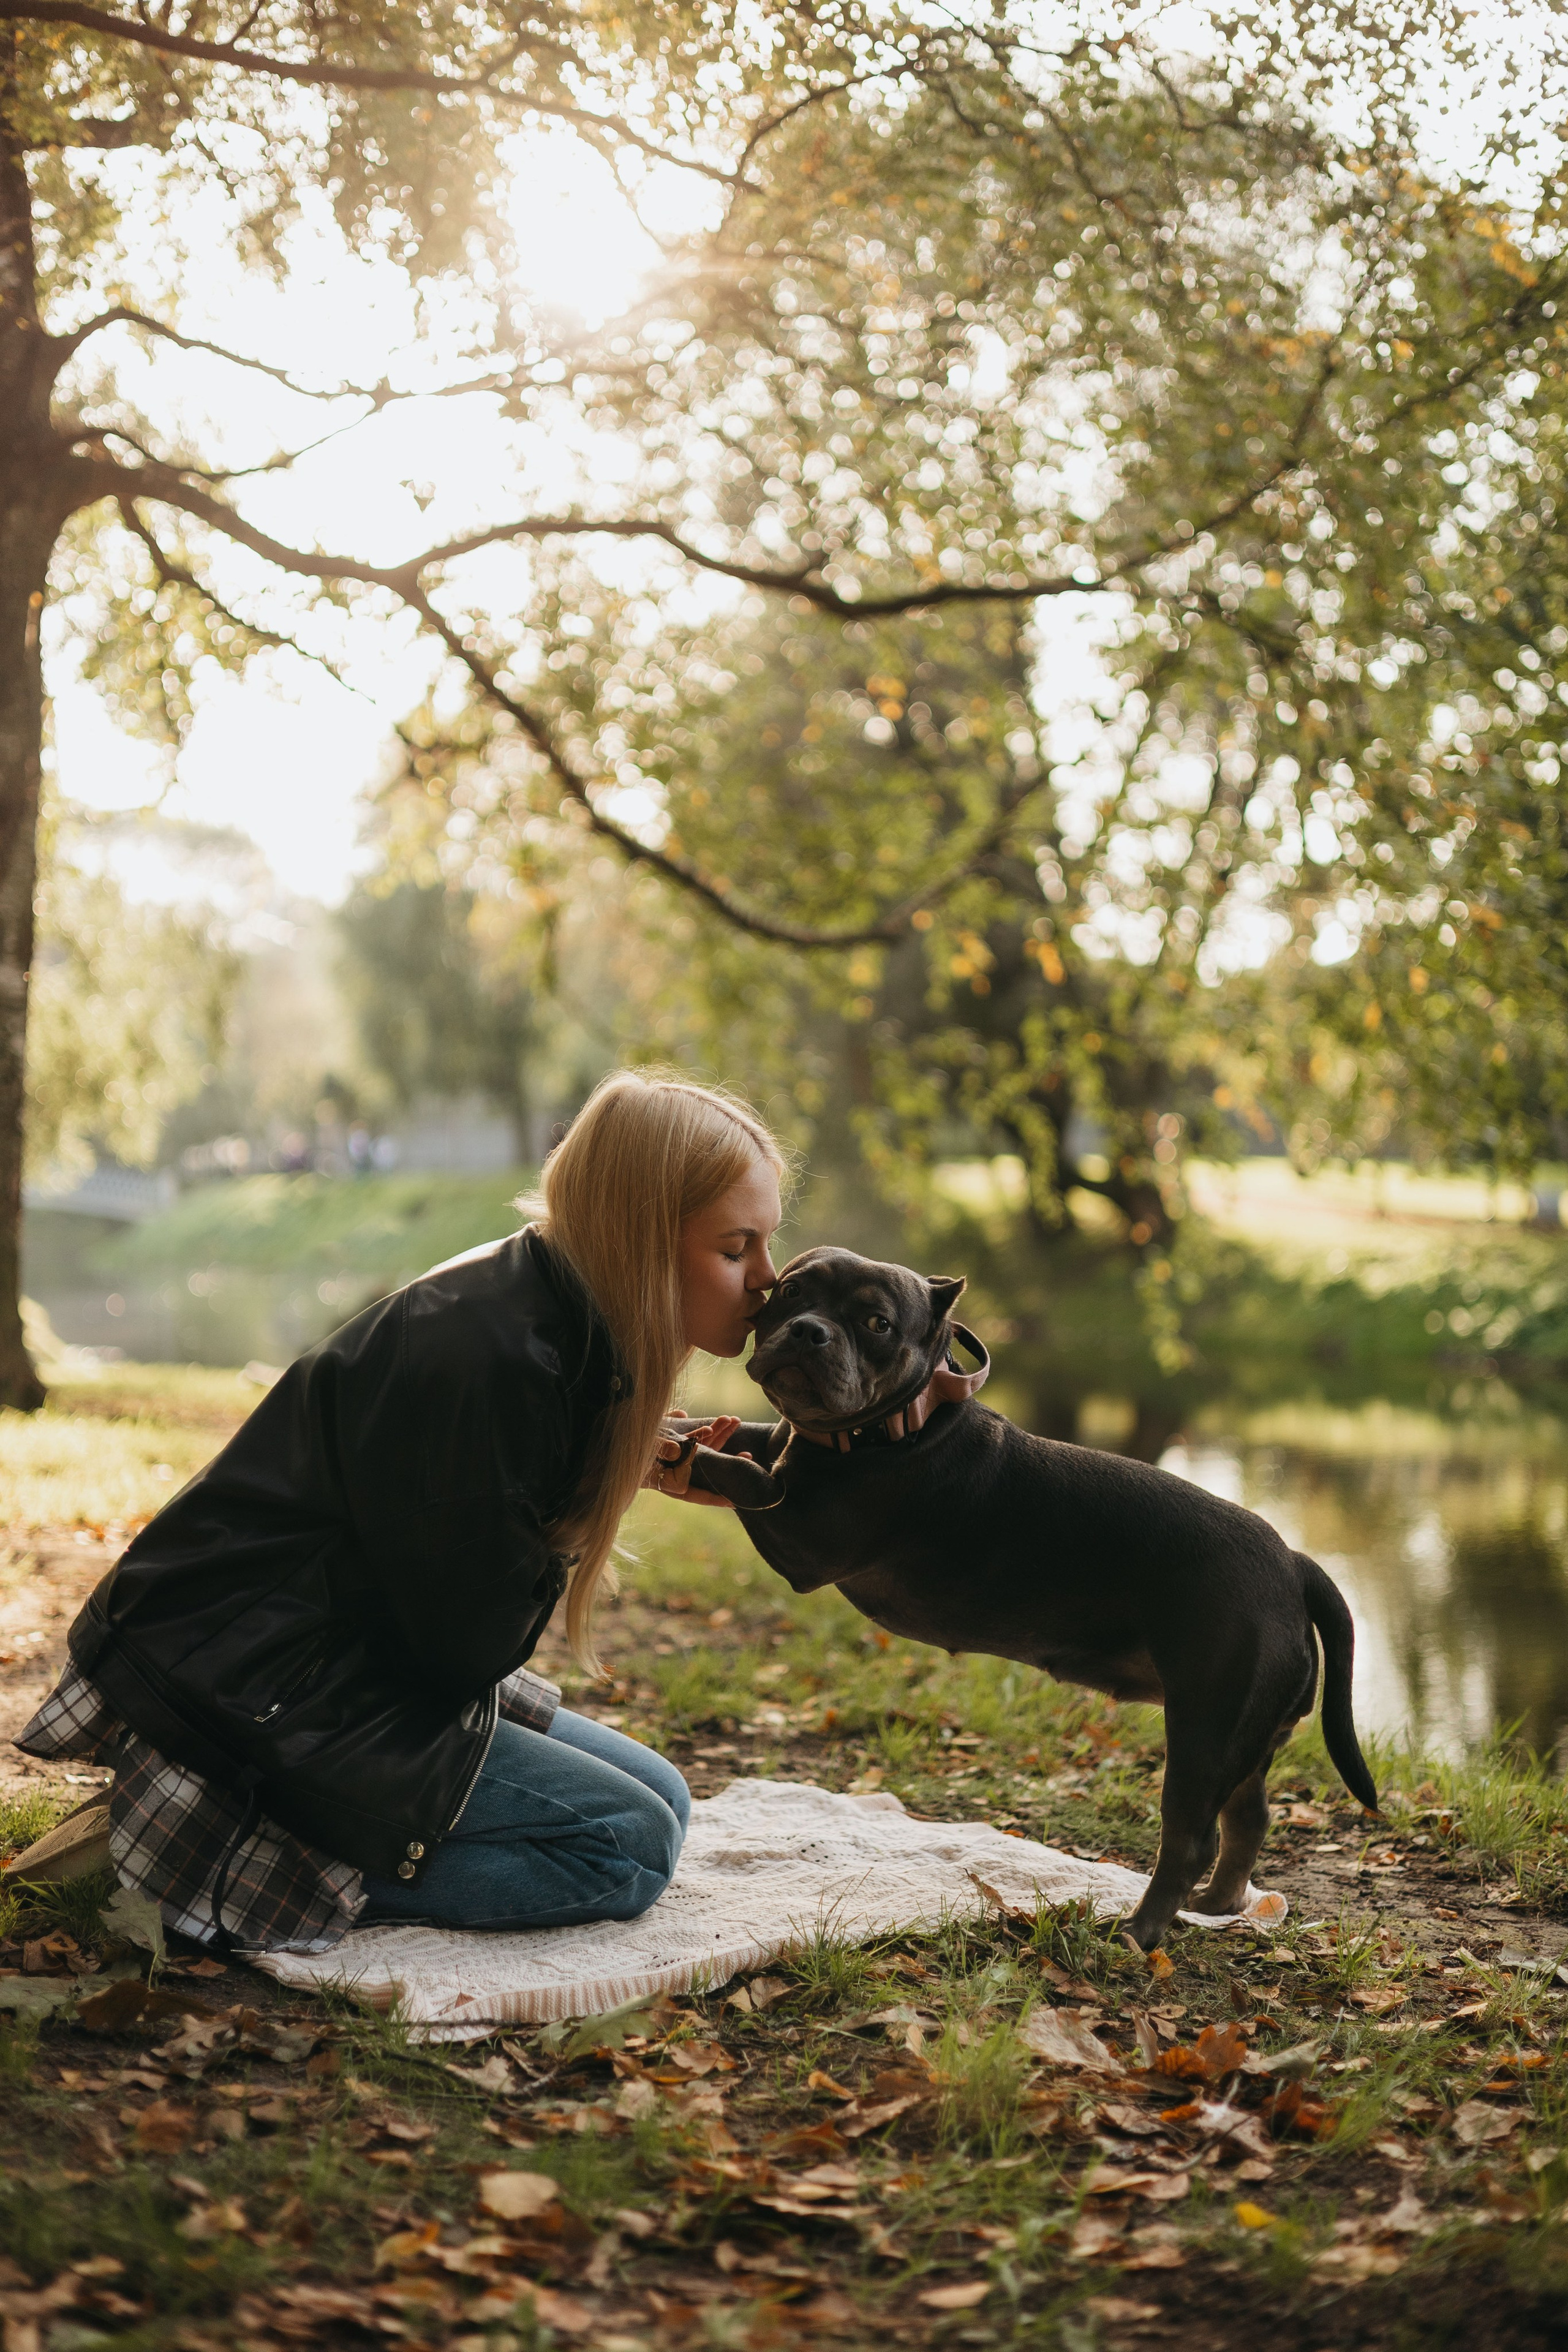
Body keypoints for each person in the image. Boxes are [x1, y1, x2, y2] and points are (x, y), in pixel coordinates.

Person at [14, 1073, 785, 1953]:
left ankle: (224, 1846)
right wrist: (589, 1487)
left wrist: (631, 1457)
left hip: (331, 1660)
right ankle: (233, 1862)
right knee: (629, 1847)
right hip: (255, 1688)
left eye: (767, 1242)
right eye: (737, 1249)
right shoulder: (495, 1361)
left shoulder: (547, 1307)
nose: (767, 1278)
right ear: (640, 1240)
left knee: (669, 1798)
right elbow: (467, 1651)